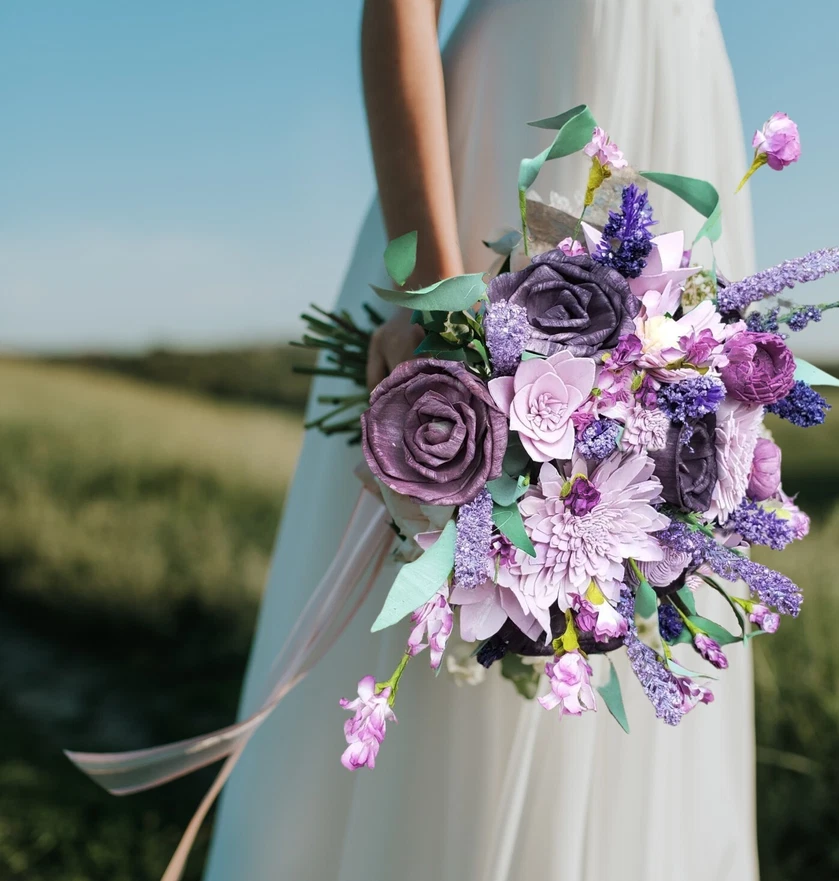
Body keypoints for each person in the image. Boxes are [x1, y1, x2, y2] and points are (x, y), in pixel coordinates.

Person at [203, 1, 759, 878]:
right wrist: (437, 293)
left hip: (683, 117)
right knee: (457, 593)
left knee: (650, 563)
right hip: (511, 129)